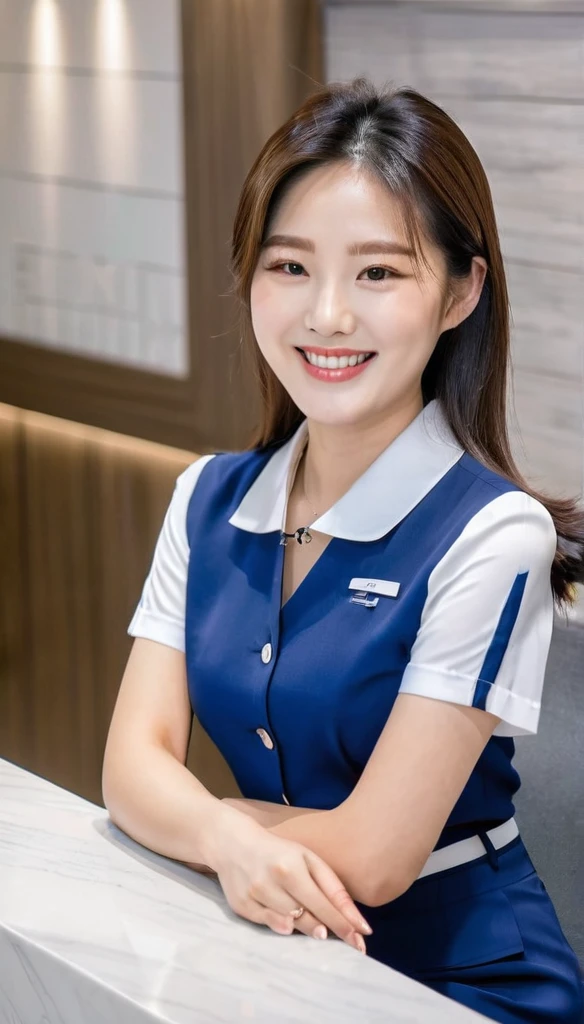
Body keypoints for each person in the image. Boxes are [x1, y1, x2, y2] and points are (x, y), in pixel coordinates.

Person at [102, 77, 584, 1023]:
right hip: (267, 954)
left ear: (460, 292)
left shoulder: (495, 535)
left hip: (459, 985)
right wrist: (228, 840)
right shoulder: (207, 498)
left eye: (378, 272)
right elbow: (127, 762)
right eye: (289, 268)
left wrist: (196, 820)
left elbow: (374, 856)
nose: (326, 316)